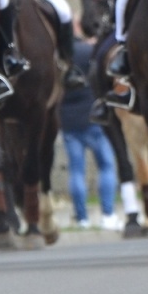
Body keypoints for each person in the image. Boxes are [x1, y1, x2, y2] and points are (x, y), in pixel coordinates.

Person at [60, 32, 120, 229]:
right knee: (106, 166)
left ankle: (82, 218)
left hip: (68, 120)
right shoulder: (89, 51)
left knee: (76, 171)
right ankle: (108, 214)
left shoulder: (60, 57)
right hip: (94, 117)